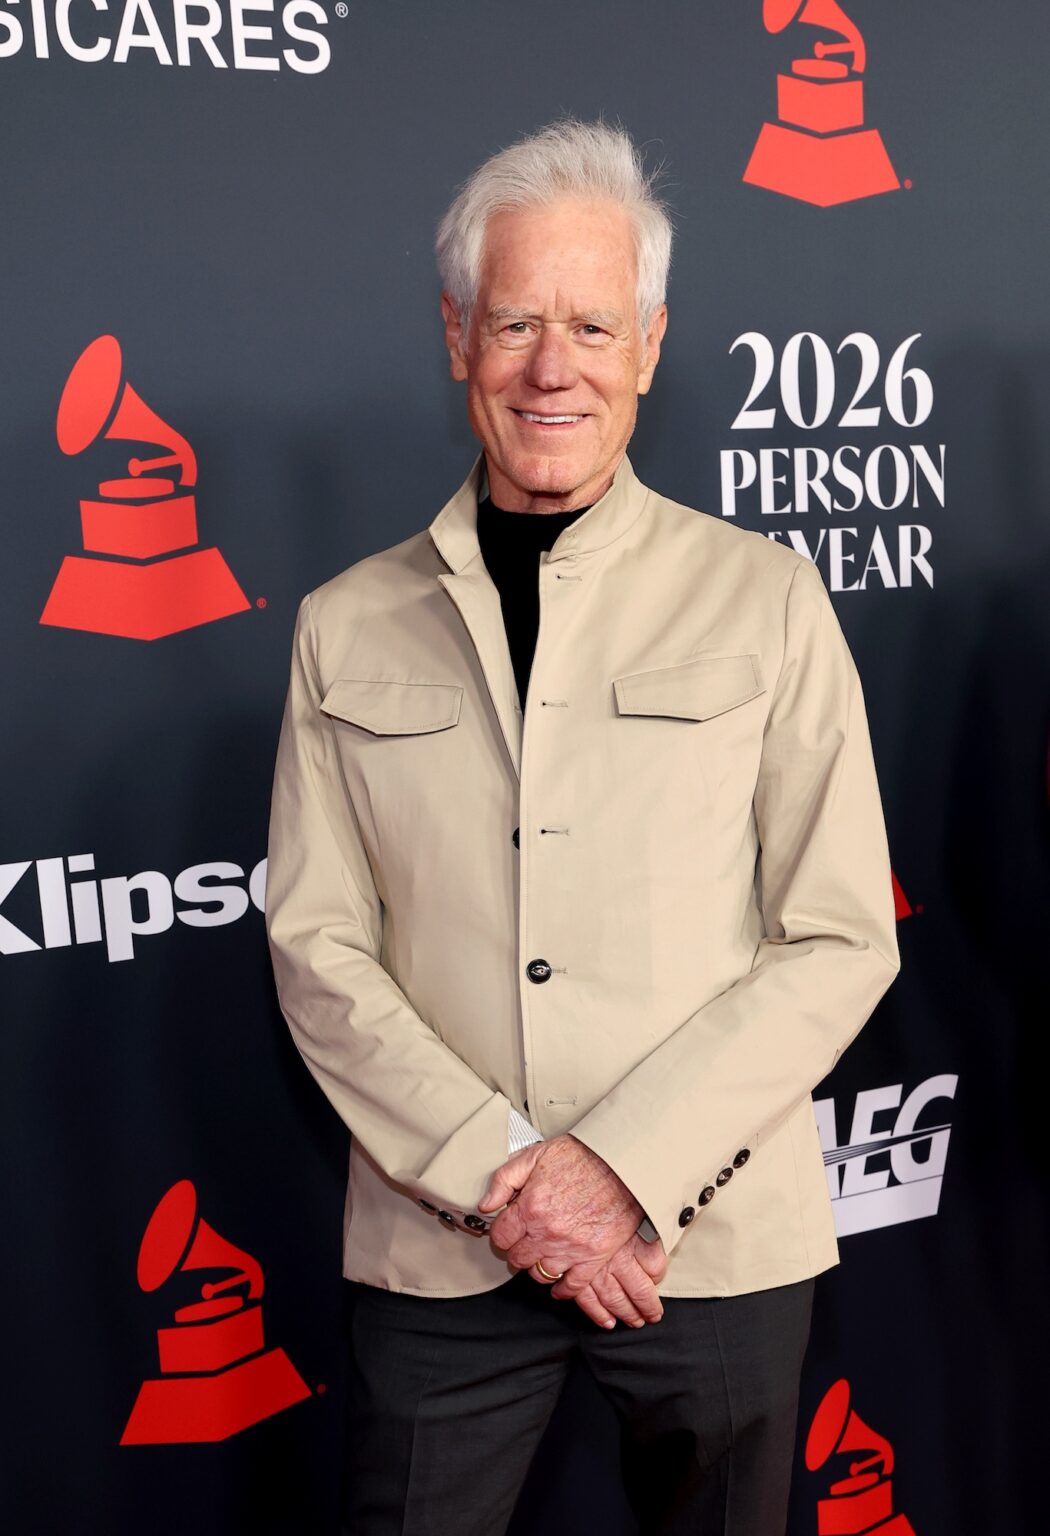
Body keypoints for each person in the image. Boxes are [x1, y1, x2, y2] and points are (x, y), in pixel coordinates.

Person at [265, 117, 900, 1536]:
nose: (553, 367)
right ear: (456, 338)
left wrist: (616, 1172)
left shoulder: (767, 599)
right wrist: (507, 1183)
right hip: (440, 1257)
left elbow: (840, 934)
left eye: (592, 325)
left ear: (650, 348)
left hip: (713, 1248)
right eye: (515, 323)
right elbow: (314, 945)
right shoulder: (343, 624)